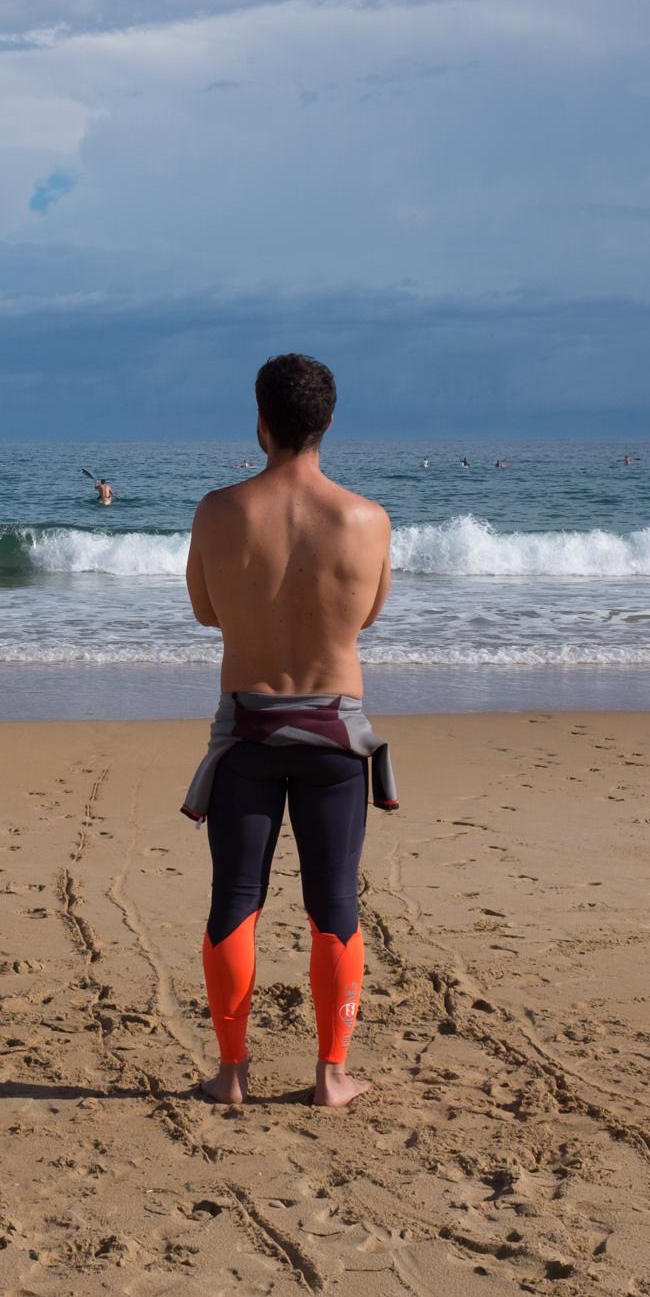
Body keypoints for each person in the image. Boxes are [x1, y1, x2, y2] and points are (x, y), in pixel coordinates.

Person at [182, 353, 396, 1111]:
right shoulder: (368, 521)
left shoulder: (217, 511)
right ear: (328, 423)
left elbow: (207, 611)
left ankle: (232, 1073)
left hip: (247, 729)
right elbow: (366, 614)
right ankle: (331, 1074)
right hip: (335, 736)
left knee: (235, 897)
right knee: (334, 902)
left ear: (261, 421)